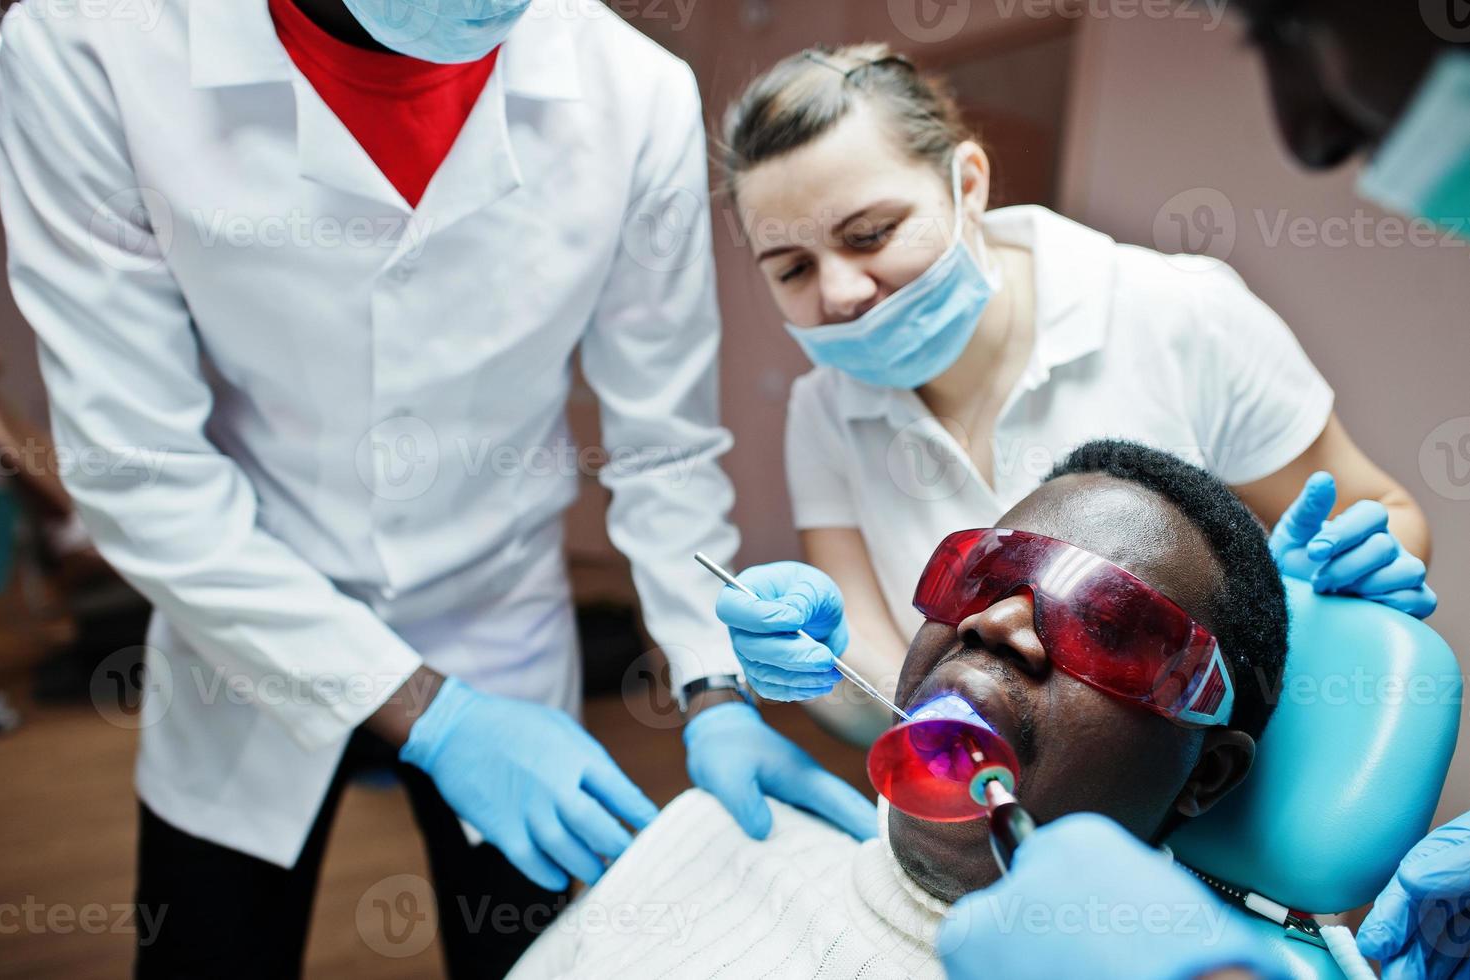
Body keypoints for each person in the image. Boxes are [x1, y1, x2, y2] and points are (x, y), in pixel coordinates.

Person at [0, 1, 872, 975]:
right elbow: (141, 469)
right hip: (245, 633)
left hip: (502, 630)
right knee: (210, 946)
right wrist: (435, 715)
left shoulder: (636, 92)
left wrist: (715, 688)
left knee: (530, 955)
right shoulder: (93, 46)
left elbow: (662, 448)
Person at [941, 3, 1470, 977]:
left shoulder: (1177, 310)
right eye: (974, 578)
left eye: (1289, 29)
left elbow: (1384, 505)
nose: (1310, 137)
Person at [714, 42, 1435, 742]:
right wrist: (820, 669)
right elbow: (885, 702)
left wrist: (1332, 600)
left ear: (966, 185)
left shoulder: (1178, 314)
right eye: (791, 270)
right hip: (978, 810)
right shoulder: (824, 410)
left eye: (871, 234)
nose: (840, 293)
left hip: (1207, 800)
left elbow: (1389, 514)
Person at [504, 439, 1295, 979]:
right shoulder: (712, 836)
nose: (994, 623)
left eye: (1108, 625)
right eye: (981, 578)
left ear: (1207, 772)